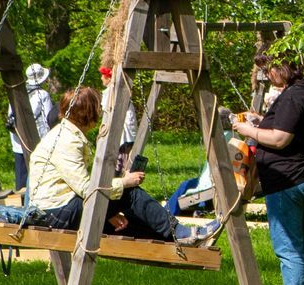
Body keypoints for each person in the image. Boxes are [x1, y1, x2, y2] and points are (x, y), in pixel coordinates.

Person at [25, 87, 218, 245]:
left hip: (58, 209)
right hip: (56, 213)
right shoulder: (67, 141)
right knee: (129, 194)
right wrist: (124, 182)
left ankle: (176, 241)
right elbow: (86, 189)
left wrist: (108, 213)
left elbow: (83, 186)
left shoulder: (67, 134)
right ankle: (179, 232)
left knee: (121, 225)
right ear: (89, 113)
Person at [230, 55, 304, 285]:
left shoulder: (295, 95)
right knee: (302, 246)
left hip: (287, 181)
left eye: (268, 68)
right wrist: (261, 121)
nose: (267, 74)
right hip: (298, 178)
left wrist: (247, 131)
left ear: (282, 67)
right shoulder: (302, 92)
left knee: (289, 248)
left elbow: (281, 139)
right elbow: (289, 127)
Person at [8, 62, 57, 193]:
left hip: (18, 141)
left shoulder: (17, 92)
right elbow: (49, 118)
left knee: (22, 178)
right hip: (38, 141)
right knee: (39, 175)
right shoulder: (43, 94)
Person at [97, 65, 138, 145]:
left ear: (109, 78)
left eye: (103, 75)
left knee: (122, 154)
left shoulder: (115, 92)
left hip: (122, 133)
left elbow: (108, 110)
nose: (101, 78)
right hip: (119, 131)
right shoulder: (110, 92)